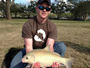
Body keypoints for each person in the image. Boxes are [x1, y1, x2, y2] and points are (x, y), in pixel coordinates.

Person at [10, 0, 66, 68]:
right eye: (41, 7)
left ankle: (51, 63)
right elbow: (28, 47)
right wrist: (33, 62)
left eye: (47, 8)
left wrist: (52, 63)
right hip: (31, 51)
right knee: (13, 66)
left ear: (50, 10)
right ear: (37, 8)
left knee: (61, 46)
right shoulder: (28, 25)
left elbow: (49, 46)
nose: (44, 10)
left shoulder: (52, 26)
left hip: (45, 50)